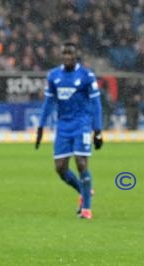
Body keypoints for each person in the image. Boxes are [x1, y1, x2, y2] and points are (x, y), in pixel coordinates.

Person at [35, 41, 103, 220]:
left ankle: (86, 209)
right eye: (64, 53)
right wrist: (40, 126)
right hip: (63, 126)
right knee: (60, 168)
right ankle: (84, 191)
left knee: (81, 164)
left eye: (70, 54)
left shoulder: (86, 76)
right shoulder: (54, 76)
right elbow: (48, 103)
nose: (67, 57)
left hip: (82, 125)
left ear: (76, 55)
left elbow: (96, 104)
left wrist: (98, 130)